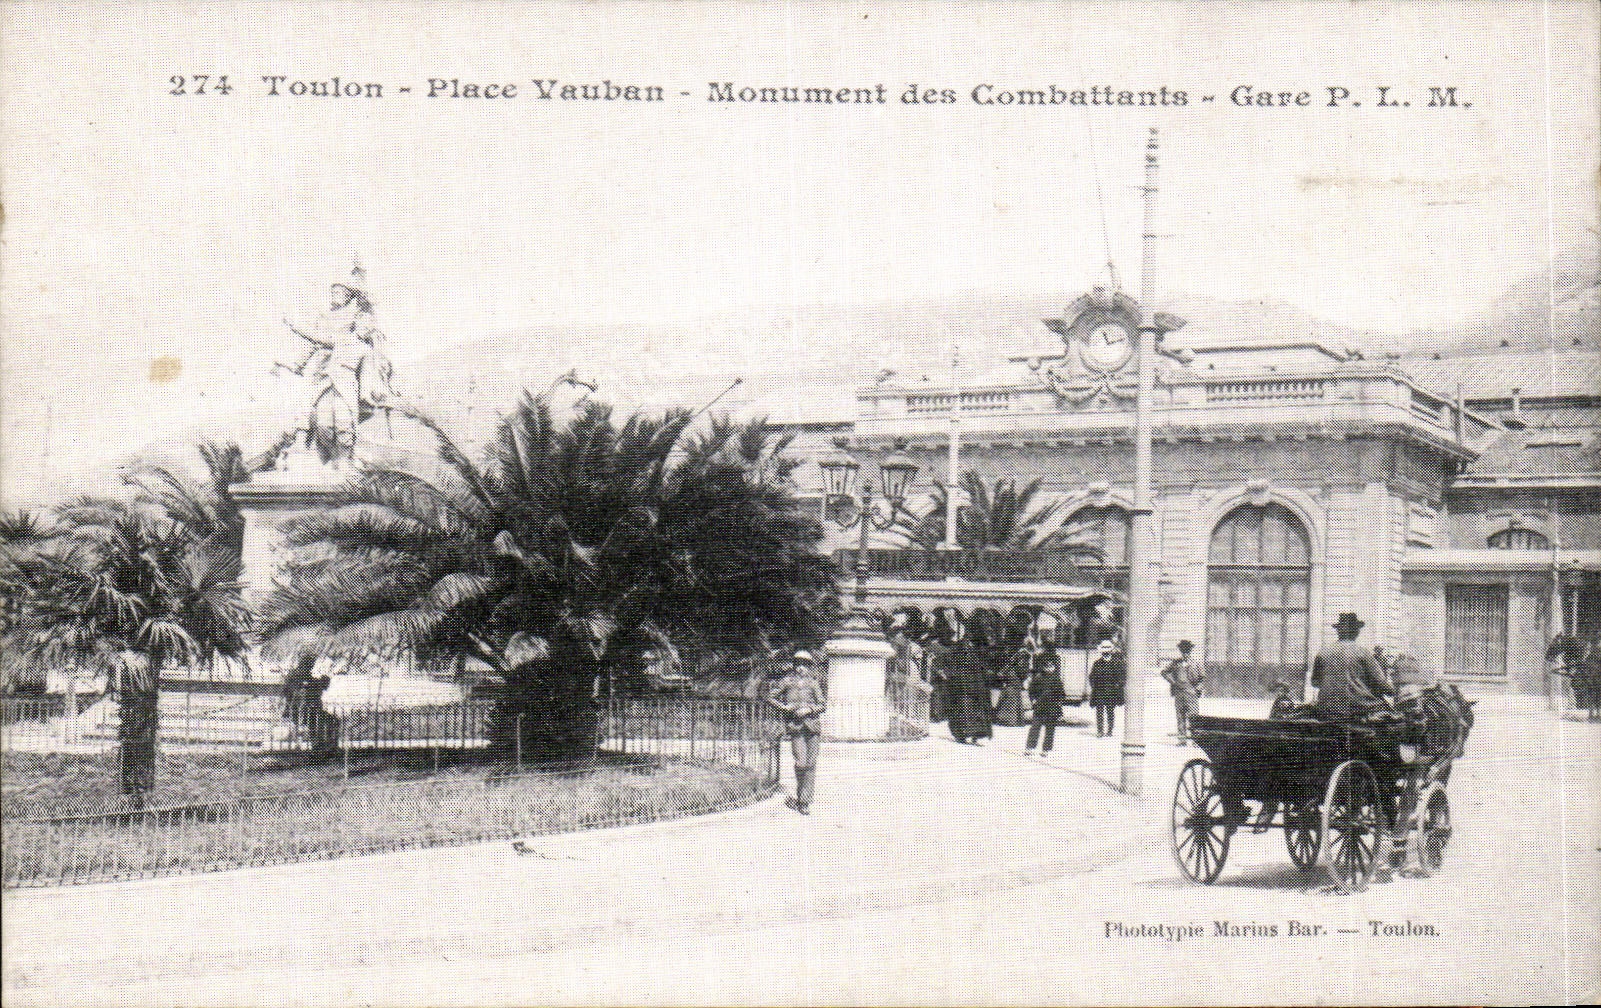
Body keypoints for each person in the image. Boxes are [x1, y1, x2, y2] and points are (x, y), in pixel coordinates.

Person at [767, 649, 826, 814]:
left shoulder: (813, 683)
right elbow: (770, 697)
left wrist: (809, 709)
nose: (801, 668)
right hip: (796, 728)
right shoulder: (787, 681)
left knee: (811, 764)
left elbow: (822, 704)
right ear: (794, 666)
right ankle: (801, 797)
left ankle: (804, 801)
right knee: (801, 763)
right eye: (798, 664)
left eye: (805, 665)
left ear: (809, 667)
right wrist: (785, 708)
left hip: (812, 728)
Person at [1311, 613, 1393, 722]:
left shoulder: (1323, 652)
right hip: (1358, 708)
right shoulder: (1362, 652)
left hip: (1327, 709)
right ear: (1356, 632)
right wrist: (1394, 691)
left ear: (1338, 631)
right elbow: (1380, 683)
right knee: (1394, 720)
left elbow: (1315, 682)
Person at [937, 611, 993, 745]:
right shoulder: (961, 647)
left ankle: (975, 735)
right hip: (964, 684)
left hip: (976, 683)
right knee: (964, 708)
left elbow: (984, 663)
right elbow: (952, 663)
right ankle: (964, 734)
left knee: (977, 709)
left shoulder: (979, 647)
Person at [1024, 648, 1067, 756]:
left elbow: (1061, 694)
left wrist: (1059, 702)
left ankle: (1046, 749)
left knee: (1050, 729)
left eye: (1051, 666)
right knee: (1035, 727)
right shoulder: (1038, 678)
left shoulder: (1056, 679)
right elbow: (1031, 691)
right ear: (1043, 667)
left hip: (1052, 708)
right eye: (1047, 666)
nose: (1049, 668)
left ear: (1054, 667)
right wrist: (1033, 701)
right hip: (1040, 707)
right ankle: (1030, 747)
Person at [1161, 640, 1205, 744]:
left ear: (1190, 651)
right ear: (1181, 651)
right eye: (1183, 651)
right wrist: (1173, 682)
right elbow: (1164, 672)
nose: (1185, 653)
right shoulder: (1175, 663)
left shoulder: (1196, 663)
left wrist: (1197, 689)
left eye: (1187, 651)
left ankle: (1196, 740)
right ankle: (1182, 740)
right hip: (1179, 692)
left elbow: (1202, 678)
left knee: (1193, 717)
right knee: (1180, 717)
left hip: (1191, 693)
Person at [1088, 639, 1127, 737]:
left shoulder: (1117, 663)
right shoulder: (1097, 663)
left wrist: (1119, 685)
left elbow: (1122, 676)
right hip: (1100, 691)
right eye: (1104, 650)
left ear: (1111, 650)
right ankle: (1100, 731)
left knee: (1110, 711)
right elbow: (1092, 676)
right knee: (1099, 711)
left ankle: (1110, 730)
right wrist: (1094, 686)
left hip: (1112, 691)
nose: (1105, 652)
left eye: (1107, 649)